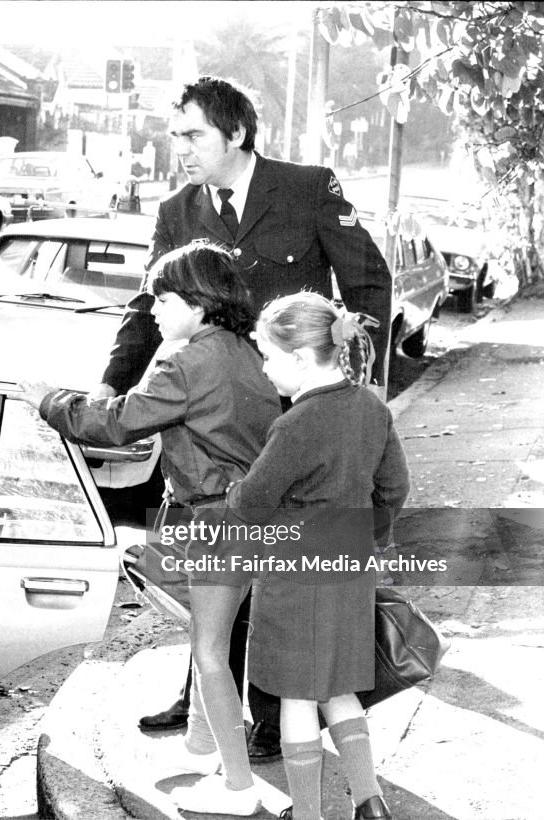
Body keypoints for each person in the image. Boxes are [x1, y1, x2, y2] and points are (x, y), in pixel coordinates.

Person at [95, 75, 393, 759]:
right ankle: (209, 691)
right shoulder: (177, 209)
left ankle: (272, 704)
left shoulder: (308, 187)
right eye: (175, 134)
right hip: (215, 419)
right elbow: (149, 309)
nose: (180, 148)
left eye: (193, 134)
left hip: (297, 412)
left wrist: (352, 387)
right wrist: (112, 392)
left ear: (236, 134)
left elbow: (367, 282)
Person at [21, 244, 281, 817]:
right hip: (249, 518)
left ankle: (238, 788)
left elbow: (112, 424)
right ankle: (202, 748)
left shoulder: (186, 364)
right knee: (211, 641)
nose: (153, 311)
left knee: (211, 652)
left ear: (198, 301)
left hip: (214, 524)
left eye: (162, 299)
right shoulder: (247, 351)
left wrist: (47, 400)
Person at [227, 292, 409, 820]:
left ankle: (308, 813)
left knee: (298, 699)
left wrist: (237, 497)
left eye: (267, 356)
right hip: (350, 566)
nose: (264, 369)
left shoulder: (296, 424)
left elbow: (254, 499)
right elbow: (394, 487)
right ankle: (370, 802)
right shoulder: (372, 407)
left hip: (297, 575)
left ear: (302, 359)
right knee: (338, 688)